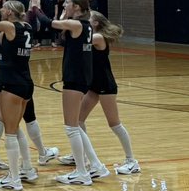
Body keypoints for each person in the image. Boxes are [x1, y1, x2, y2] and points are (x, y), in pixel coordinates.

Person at [59, 11, 140, 176]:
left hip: (106, 85)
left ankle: (132, 161)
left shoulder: (98, 38)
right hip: (93, 85)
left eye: (89, 19)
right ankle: (80, 156)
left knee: (114, 123)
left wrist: (66, 21)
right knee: (78, 120)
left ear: (95, 23)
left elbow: (78, 38)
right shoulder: (93, 34)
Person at [49, 0, 100, 185]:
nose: (64, 5)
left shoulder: (77, 24)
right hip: (80, 76)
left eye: (67, 3)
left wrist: (35, 9)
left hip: (75, 78)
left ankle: (81, 172)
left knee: (71, 127)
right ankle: (93, 164)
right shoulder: (83, 25)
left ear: (77, 7)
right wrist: (63, 13)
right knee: (76, 126)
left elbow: (49, 23)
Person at [0, 0, 36, 190]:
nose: (2, 10)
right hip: (26, 82)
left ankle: (14, 179)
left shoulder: (8, 26)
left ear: (10, 12)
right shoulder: (28, 26)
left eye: (5, 8)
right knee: (15, 129)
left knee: (10, 132)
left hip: (12, 84)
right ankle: (28, 168)